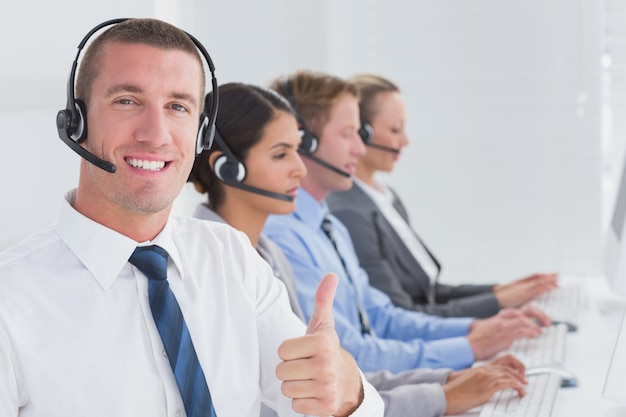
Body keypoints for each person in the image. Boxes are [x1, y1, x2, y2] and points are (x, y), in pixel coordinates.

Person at [0, 19, 383, 417]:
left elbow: (315, 401)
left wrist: (348, 388)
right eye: (127, 101)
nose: (156, 133)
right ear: (75, 121)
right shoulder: (10, 299)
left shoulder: (231, 257)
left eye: (177, 107)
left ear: (201, 134)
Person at [188, 81, 529, 417]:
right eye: (281, 154)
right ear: (227, 168)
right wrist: (438, 395)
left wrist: (442, 380)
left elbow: (336, 374)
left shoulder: (265, 252)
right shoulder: (212, 268)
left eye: (296, 149)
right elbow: (303, 394)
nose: (300, 168)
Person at [263, 70, 545, 374]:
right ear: (304, 142)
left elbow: (382, 318)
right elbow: (348, 353)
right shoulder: (285, 238)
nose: (359, 148)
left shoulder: (330, 227)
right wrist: (468, 348)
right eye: (348, 134)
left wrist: (474, 329)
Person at [327, 73, 559, 318]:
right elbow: (403, 313)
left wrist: (502, 291)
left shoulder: (386, 197)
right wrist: (498, 302)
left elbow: (429, 291)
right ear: (362, 134)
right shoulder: (349, 213)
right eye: (396, 129)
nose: (405, 141)